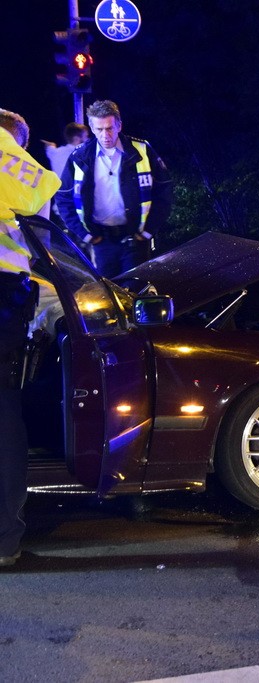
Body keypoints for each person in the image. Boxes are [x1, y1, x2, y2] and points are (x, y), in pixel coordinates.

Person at [0, 108, 61, 568]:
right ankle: (4, 540)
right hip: (3, 290)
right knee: (4, 410)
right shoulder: (10, 156)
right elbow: (42, 218)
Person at [54, 100, 172, 278]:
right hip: (102, 241)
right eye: (99, 129)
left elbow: (164, 191)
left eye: (109, 128)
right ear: (92, 129)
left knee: (136, 294)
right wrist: (86, 235)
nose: (105, 135)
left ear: (119, 125)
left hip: (136, 238)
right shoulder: (79, 156)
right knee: (108, 297)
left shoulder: (142, 151)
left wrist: (149, 231)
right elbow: (63, 198)